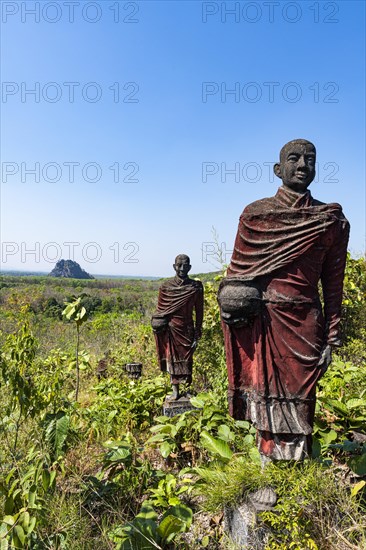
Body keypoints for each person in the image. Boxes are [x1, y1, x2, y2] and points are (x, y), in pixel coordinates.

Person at [218, 139, 350, 460]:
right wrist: (231, 302)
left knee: (302, 404)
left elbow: (333, 287)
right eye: (294, 159)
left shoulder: (330, 220)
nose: (303, 165)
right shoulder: (256, 215)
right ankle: (267, 466)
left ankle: (297, 471)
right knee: (265, 398)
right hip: (266, 323)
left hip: (306, 324)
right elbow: (235, 277)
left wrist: (331, 338)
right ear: (278, 170)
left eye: (310, 159)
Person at [151, 254, 204, 400]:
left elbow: (199, 310)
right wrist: (157, 325)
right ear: (174, 267)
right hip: (172, 328)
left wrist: (198, 329)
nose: (182, 268)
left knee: (187, 360)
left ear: (190, 267)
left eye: (185, 265)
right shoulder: (166, 287)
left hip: (187, 328)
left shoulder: (196, 287)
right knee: (172, 360)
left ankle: (187, 389)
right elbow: (161, 311)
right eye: (179, 265)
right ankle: (175, 390)